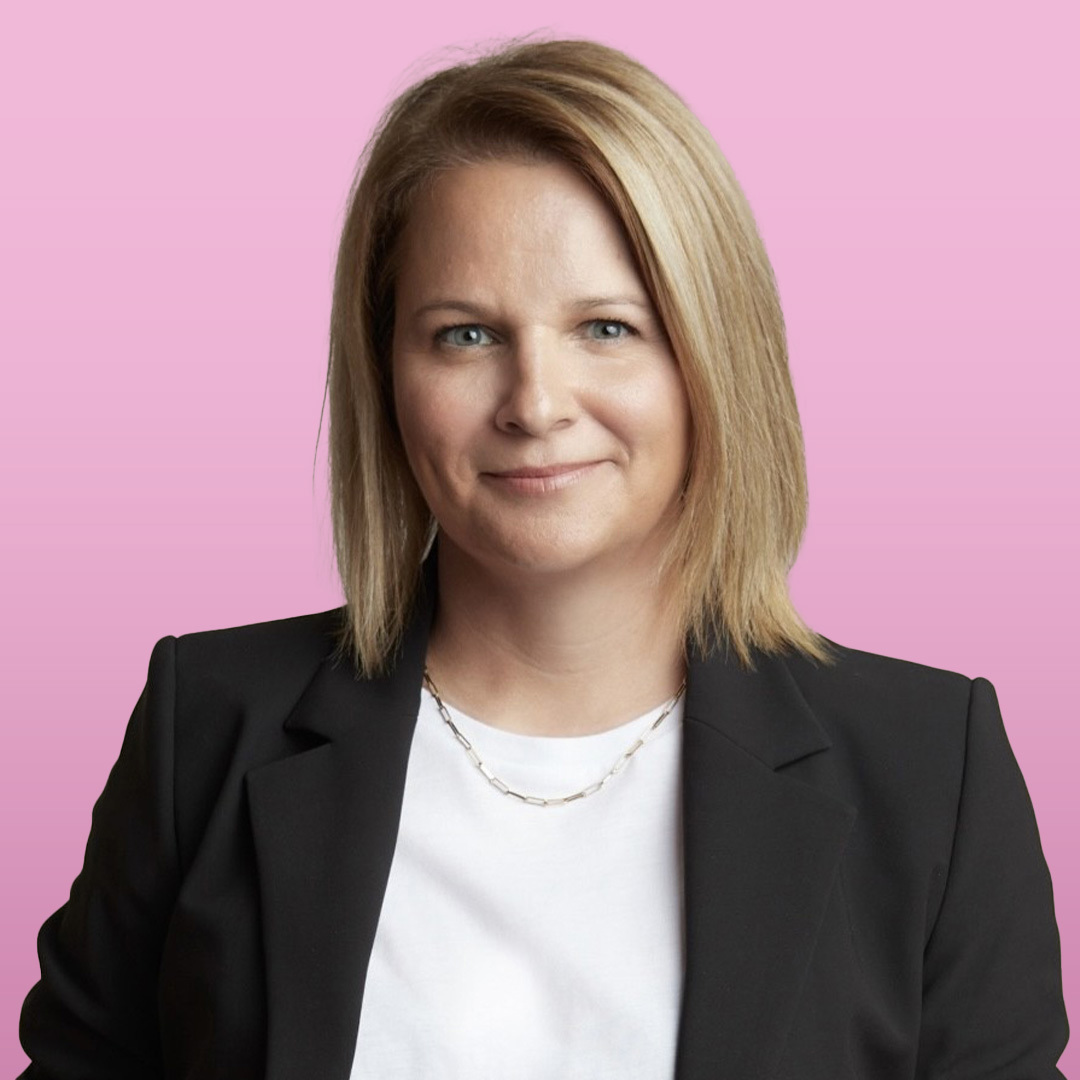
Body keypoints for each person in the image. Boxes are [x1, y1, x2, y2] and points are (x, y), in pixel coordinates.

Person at [18, 37, 1068, 1080]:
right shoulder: (206, 725)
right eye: (465, 336)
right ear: (386, 372)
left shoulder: (931, 770)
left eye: (606, 328)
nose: (534, 404)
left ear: (713, 357)